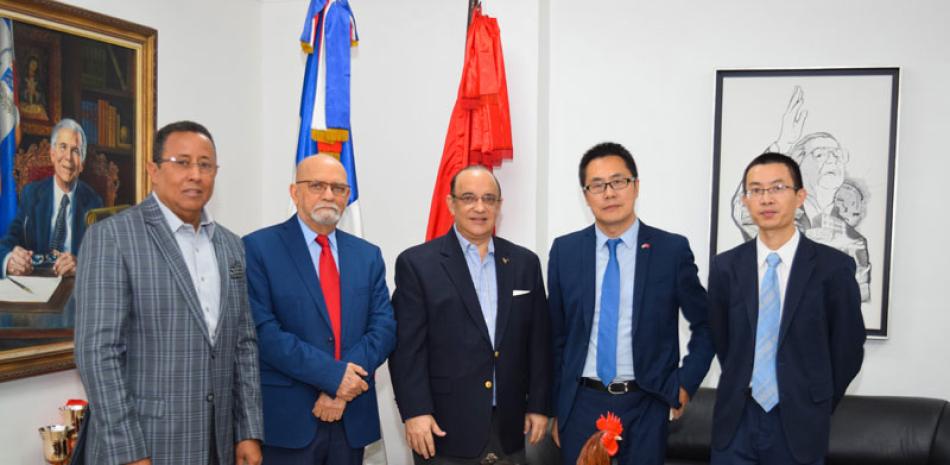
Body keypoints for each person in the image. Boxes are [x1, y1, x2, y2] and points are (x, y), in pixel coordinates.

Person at [73, 121, 263, 465]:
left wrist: (247, 430)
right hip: (146, 444)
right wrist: (129, 452)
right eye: (182, 162)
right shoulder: (113, 237)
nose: (195, 174)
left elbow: (243, 344)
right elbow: (97, 355)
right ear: (154, 171)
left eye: (205, 165)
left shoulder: (231, 246)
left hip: (215, 443)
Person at [548, 142, 714, 465]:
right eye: (597, 185)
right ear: (586, 195)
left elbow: (707, 325)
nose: (609, 193)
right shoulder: (565, 252)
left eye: (618, 181)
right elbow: (555, 337)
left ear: (636, 186)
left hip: (646, 403)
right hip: (580, 404)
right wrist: (558, 408)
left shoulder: (670, 251)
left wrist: (684, 385)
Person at [708, 152, 866, 465]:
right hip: (736, 421)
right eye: (756, 190)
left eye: (778, 188)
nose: (766, 199)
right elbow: (724, 342)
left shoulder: (833, 268)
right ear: (745, 200)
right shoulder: (726, 267)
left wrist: (812, 400)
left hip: (800, 423)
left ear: (800, 196)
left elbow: (847, 349)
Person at [389, 165, 551, 465]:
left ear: (499, 206)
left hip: (510, 424)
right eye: (468, 198)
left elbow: (539, 343)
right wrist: (415, 412)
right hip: (442, 426)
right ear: (451, 203)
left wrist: (540, 405)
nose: (480, 207)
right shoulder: (417, 264)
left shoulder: (524, 263)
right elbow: (406, 350)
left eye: (489, 199)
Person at [243, 154, 396, 465]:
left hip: (350, 418)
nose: (329, 195)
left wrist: (340, 389)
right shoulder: (258, 248)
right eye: (317, 185)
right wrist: (333, 376)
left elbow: (383, 329)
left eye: (339, 188)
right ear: (294, 192)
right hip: (288, 422)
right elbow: (264, 331)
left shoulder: (368, 255)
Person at [1, 118, 103, 278]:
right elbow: (8, 240)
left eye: (75, 151)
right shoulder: (31, 194)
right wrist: (10, 260)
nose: (68, 158)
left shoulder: (94, 202)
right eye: (63, 147)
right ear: (52, 154)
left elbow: (103, 257)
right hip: (35, 283)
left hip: (71, 287)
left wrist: (81, 265)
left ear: (82, 163)